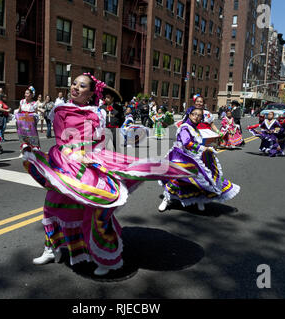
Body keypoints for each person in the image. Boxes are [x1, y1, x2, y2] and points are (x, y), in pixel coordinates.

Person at [23, 73, 195, 276]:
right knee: (52, 206)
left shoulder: (97, 113)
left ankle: (104, 254)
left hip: (90, 162)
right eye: (74, 84)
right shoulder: (60, 110)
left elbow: (101, 139)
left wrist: (111, 144)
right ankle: (51, 249)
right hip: (65, 163)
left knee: (95, 207)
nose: (76, 87)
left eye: (82, 85)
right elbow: (62, 139)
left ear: (90, 93)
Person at [158, 106, 240, 212]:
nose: (196, 117)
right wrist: (203, 148)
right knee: (177, 179)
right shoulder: (185, 127)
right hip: (180, 157)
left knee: (201, 179)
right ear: (190, 114)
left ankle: (200, 200)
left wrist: (210, 146)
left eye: (199, 115)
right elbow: (187, 143)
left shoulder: (195, 128)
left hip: (193, 156)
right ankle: (166, 199)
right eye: (194, 114)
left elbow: (198, 142)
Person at [99, 85, 125, 150]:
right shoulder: (102, 107)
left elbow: (122, 118)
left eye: (108, 97)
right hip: (105, 129)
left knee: (117, 146)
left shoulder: (118, 107)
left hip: (115, 130)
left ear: (112, 98)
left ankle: (118, 158)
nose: (106, 99)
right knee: (103, 146)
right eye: (105, 97)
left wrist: (118, 126)